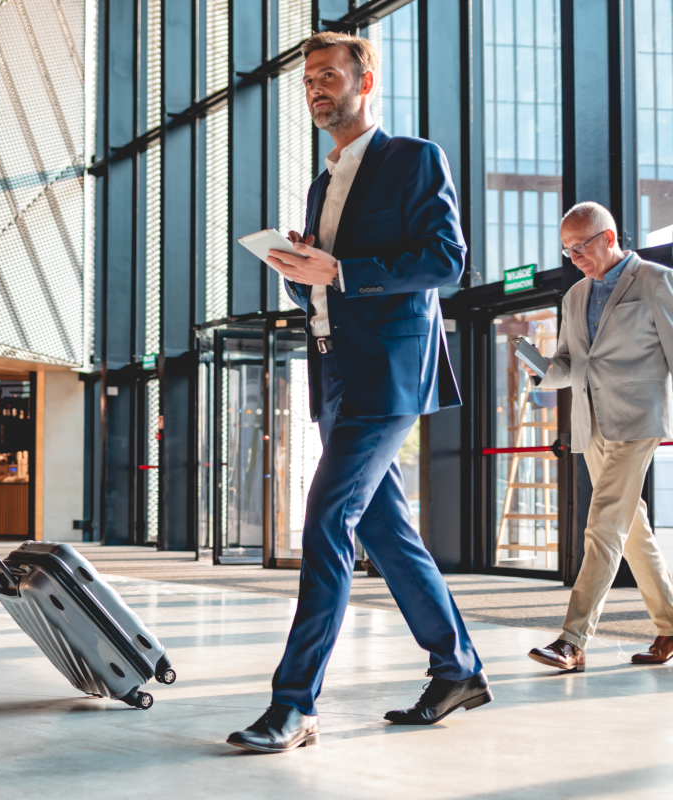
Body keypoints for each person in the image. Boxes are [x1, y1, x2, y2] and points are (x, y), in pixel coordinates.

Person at [226, 32, 489, 754]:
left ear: (364, 83)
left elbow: (445, 260)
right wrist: (296, 265)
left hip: (389, 373)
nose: (317, 87)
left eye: (329, 75)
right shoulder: (322, 182)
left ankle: (295, 705)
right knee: (386, 534)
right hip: (336, 371)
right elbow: (326, 281)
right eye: (309, 78)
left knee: (324, 523)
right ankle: (458, 667)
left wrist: (339, 270)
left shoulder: (413, 159)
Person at [525, 202, 673, 671]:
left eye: (580, 247)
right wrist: (541, 370)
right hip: (591, 425)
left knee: (604, 524)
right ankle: (670, 626)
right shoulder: (573, 297)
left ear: (609, 238)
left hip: (637, 421)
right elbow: (571, 365)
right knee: (633, 532)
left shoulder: (654, 280)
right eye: (567, 251)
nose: (574, 258)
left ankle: (573, 640)